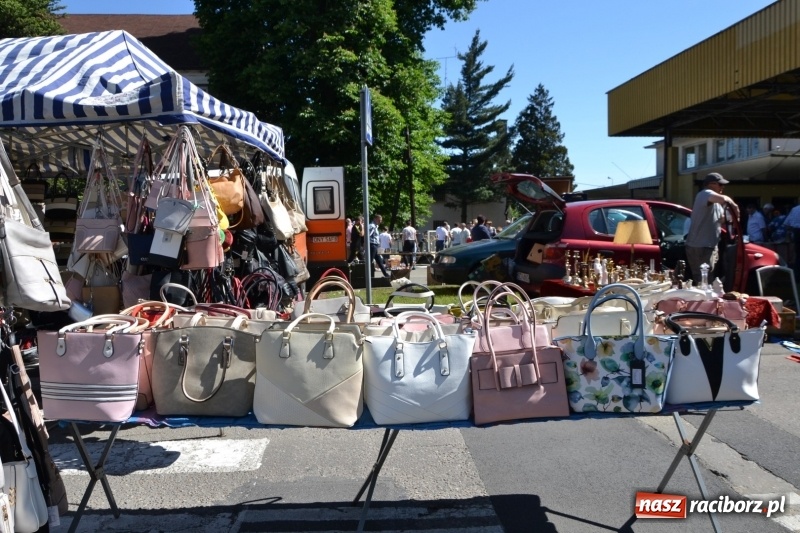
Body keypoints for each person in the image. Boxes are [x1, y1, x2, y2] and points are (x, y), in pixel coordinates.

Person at [685, 172, 739, 283]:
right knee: (703, 281)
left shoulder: (716, 204)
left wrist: (733, 221)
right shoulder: (704, 194)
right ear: (711, 184)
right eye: (720, 184)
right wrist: (734, 205)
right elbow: (725, 199)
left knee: (708, 280)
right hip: (700, 247)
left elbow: (722, 220)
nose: (722, 187)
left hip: (710, 246)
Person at [783, 201, 800, 280]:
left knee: (798, 255)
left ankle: (796, 276)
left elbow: (786, 224)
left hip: (796, 232)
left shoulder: (794, 209)